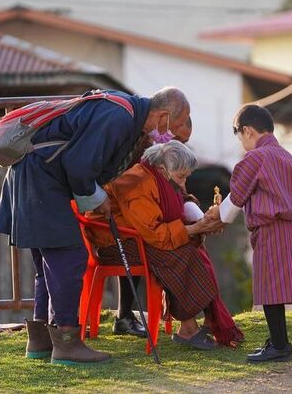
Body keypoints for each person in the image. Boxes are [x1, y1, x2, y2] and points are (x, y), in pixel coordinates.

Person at [0, 87, 190, 365]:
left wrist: (98, 196)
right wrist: (99, 200)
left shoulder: (125, 112)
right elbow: (79, 163)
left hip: (35, 175)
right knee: (69, 257)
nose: (173, 135)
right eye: (177, 126)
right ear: (164, 116)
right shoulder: (119, 116)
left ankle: (41, 341)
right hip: (41, 179)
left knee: (48, 263)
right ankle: (67, 343)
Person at [87, 140, 244, 350]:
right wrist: (196, 229)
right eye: (181, 177)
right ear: (163, 169)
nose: (183, 184)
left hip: (138, 236)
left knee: (191, 247)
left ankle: (209, 318)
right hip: (115, 242)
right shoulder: (137, 182)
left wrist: (199, 221)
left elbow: (178, 203)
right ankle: (188, 328)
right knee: (179, 252)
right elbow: (156, 234)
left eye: (186, 177)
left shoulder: (161, 177)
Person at [206, 104, 292, 362]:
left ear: (247, 131)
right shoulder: (287, 157)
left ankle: (280, 346)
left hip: (271, 228)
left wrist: (218, 215)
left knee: (270, 288)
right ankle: (279, 341)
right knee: (275, 288)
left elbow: (236, 198)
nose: (241, 143)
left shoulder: (256, 157)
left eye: (240, 137)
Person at [112, 115, 193, 338]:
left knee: (184, 245)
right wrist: (190, 229)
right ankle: (127, 316)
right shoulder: (142, 151)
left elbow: (177, 190)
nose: (180, 146)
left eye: (184, 143)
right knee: (171, 249)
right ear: (167, 123)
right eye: (178, 139)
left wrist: (188, 203)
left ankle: (189, 322)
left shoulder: (168, 161)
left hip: (138, 223)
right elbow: (154, 230)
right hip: (119, 228)